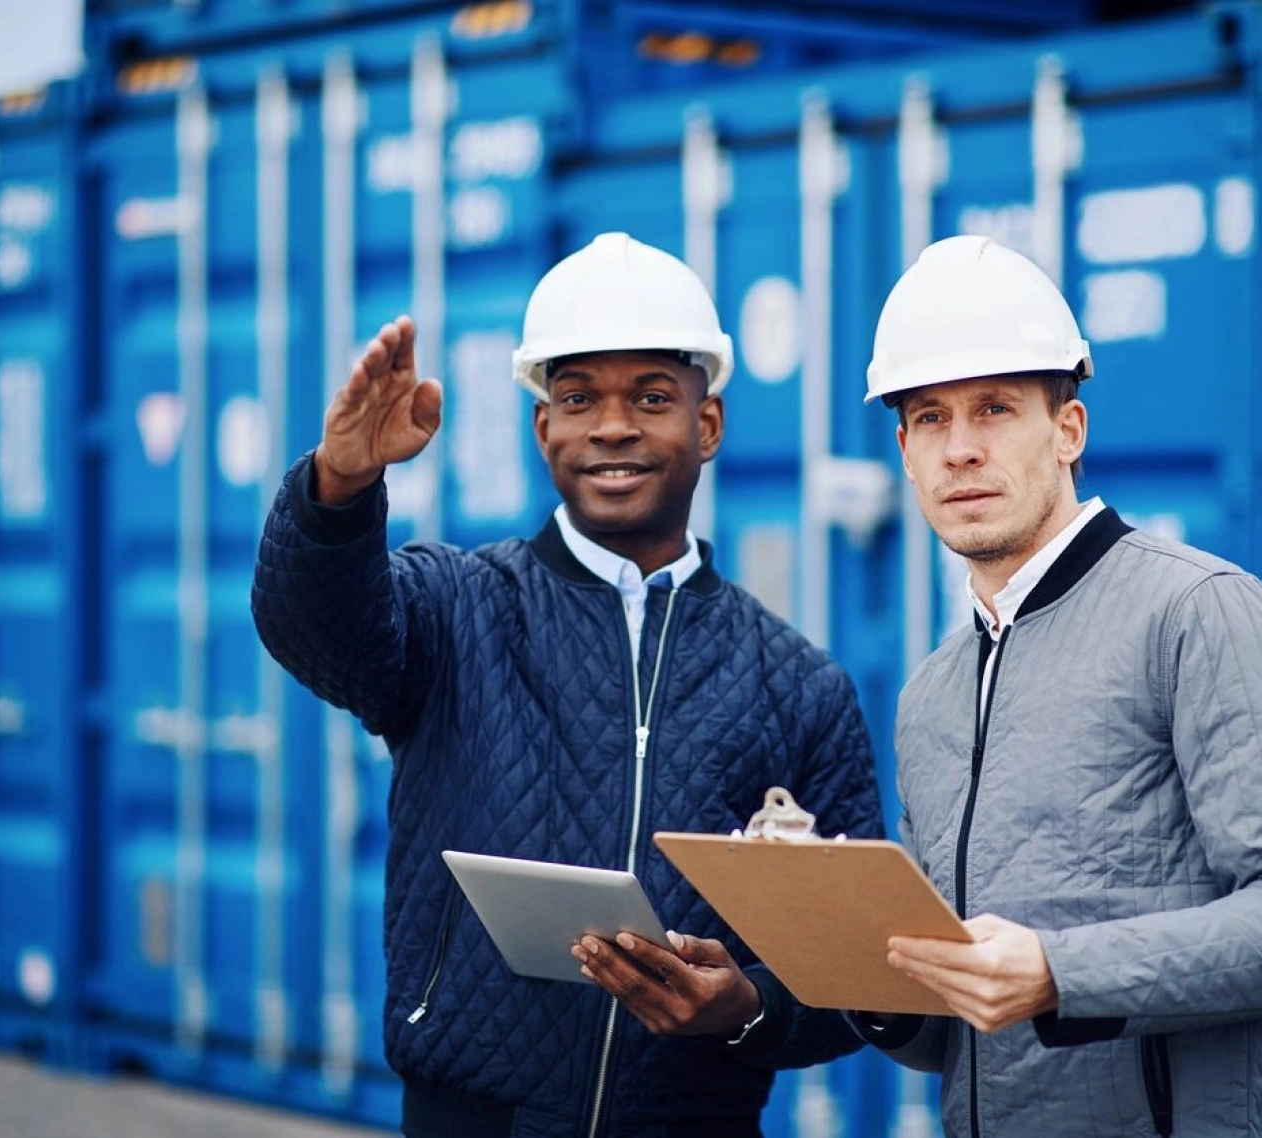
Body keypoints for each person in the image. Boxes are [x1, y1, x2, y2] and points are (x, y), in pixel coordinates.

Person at [250, 232, 885, 1136]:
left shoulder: (799, 685)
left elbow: (852, 971)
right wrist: (341, 485)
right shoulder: (454, 604)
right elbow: (313, 630)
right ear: (543, 427)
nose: (613, 426)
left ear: (707, 424)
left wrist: (748, 1007)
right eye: (579, 397)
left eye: (652, 397)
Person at [848, 234, 1262, 1137]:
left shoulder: (1204, 614)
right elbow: (968, 1027)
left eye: (995, 410)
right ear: (902, 450)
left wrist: (1061, 971)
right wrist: (876, 989)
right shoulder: (932, 694)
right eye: (931, 418)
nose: (961, 449)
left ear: (1067, 431)